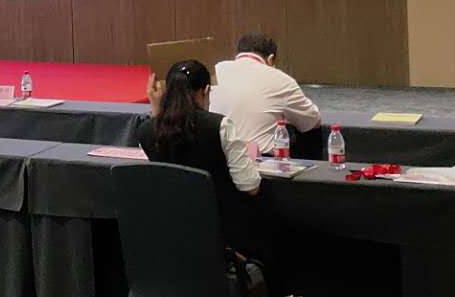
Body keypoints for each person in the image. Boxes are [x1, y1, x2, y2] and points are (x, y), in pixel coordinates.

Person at [137, 60, 270, 270]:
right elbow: (250, 187)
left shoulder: (145, 131)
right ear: (206, 90)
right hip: (223, 235)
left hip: (170, 234)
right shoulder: (219, 126)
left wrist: (156, 110)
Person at [209, 33, 320, 154]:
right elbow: (311, 121)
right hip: (258, 160)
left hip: (214, 157)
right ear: (270, 59)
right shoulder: (281, 79)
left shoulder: (216, 71)